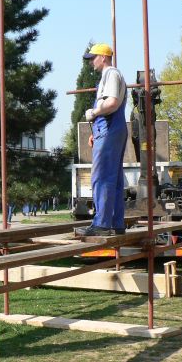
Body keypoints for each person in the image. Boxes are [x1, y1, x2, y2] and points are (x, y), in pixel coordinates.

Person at [76, 43, 127, 237]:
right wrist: (95, 131)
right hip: (111, 129)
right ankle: (116, 223)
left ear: (103, 57)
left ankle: (101, 225)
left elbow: (112, 103)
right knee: (114, 179)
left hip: (110, 129)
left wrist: (94, 112)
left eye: (93, 58)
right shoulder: (113, 75)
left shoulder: (111, 74)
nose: (91, 62)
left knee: (101, 177)